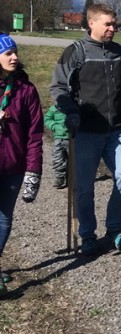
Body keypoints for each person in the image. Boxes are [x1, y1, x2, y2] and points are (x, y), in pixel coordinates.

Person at [50, 4, 121, 255]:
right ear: (92, 23)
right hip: (86, 132)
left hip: (117, 131)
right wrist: (70, 110)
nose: (113, 28)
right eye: (108, 24)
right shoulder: (75, 52)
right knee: (84, 187)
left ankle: (114, 230)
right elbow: (58, 88)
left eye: (114, 24)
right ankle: (88, 234)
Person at [0, 33, 44, 295]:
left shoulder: (26, 91)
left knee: (4, 218)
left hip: (14, 167)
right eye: (8, 53)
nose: (15, 57)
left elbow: (35, 134)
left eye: (15, 52)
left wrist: (33, 170)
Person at [44, 104, 69, 189]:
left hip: (73, 139)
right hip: (59, 138)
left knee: (74, 160)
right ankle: (60, 178)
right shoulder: (53, 109)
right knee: (58, 158)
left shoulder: (74, 107)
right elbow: (47, 119)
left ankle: (74, 177)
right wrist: (54, 126)